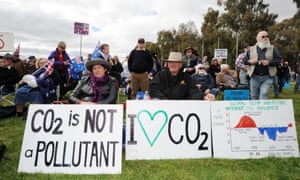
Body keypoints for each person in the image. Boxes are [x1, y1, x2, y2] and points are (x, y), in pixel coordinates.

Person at [149, 52, 215, 100]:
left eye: (176, 62)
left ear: (180, 65)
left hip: (182, 109)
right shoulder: (160, 75)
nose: (173, 64)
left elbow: (194, 91)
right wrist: (162, 98)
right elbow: (153, 89)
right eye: (171, 62)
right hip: (163, 107)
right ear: (167, 64)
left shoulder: (186, 77)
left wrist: (204, 97)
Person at [243, 31, 282, 100]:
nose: (266, 38)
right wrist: (250, 61)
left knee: (264, 94)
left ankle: (263, 110)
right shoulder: (251, 49)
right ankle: (255, 111)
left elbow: (279, 60)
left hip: (267, 77)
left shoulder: (273, 48)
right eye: (263, 37)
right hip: (254, 76)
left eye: (267, 36)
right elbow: (244, 61)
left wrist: (269, 62)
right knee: (254, 96)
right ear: (258, 39)